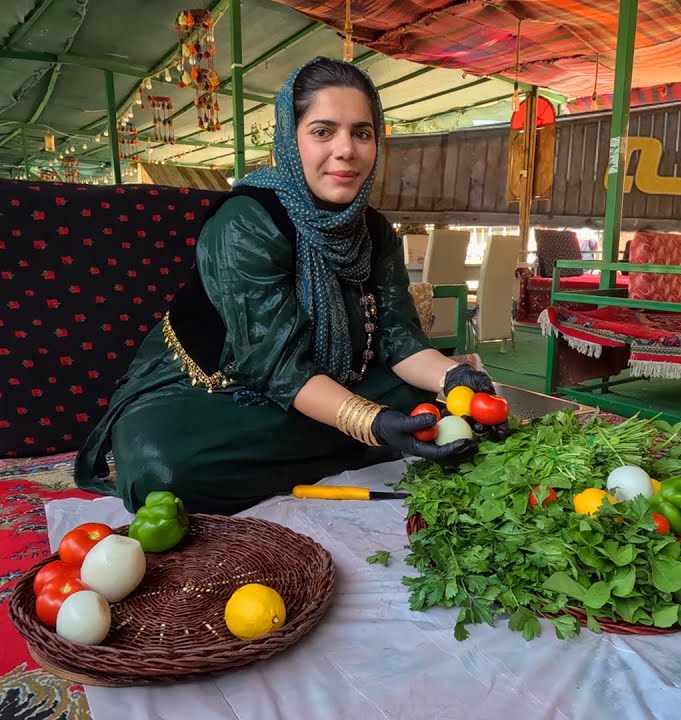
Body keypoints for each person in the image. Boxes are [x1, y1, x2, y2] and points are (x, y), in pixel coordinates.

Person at [74, 57, 505, 515]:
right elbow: (277, 366)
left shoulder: (374, 232)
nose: (346, 150)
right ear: (290, 138)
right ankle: (359, 442)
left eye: (362, 132)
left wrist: (451, 376)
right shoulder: (246, 221)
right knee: (164, 474)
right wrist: (374, 423)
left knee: (426, 401)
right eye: (323, 131)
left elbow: (398, 338)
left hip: (332, 380)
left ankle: (341, 441)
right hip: (216, 392)